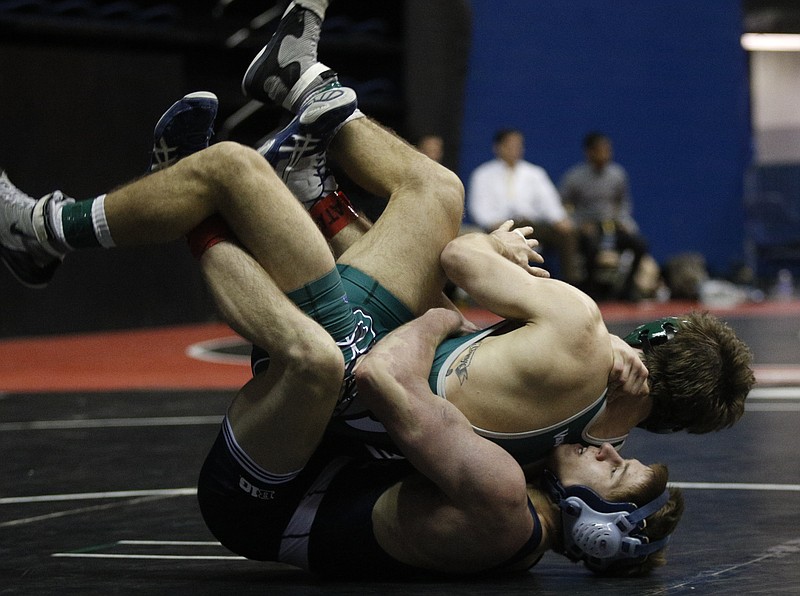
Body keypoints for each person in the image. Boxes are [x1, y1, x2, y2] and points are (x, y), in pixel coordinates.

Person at [0, 0, 754, 470]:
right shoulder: (596, 449)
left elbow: (459, 262)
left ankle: (44, 232)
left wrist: (494, 252)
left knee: (229, 168)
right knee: (437, 188)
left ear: (655, 342)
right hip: (392, 369)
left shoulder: (587, 332)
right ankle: (300, 96)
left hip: (365, 357)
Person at [198, 306, 684, 578]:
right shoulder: (529, 520)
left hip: (262, 507)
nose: (609, 450)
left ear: (592, 525)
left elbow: (381, 375)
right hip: (332, 461)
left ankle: (209, 229)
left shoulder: (504, 499)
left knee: (319, 360)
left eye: (615, 469)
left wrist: (442, 317)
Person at [466, 128, 581, 286]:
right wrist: (491, 223)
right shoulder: (483, 174)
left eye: (518, 145)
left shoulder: (534, 173)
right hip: (501, 226)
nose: (515, 150)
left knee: (566, 234)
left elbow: (549, 202)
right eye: (510, 145)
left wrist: (559, 219)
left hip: (531, 225)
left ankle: (571, 285)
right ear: (498, 147)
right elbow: (478, 207)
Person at [559, 132, 650, 302]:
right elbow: (563, 205)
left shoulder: (617, 174)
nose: (605, 154)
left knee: (639, 244)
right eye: (600, 150)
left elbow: (623, 202)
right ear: (590, 152)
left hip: (613, 225)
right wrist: (579, 223)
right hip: (587, 227)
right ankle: (592, 290)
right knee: (591, 246)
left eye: (608, 150)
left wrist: (622, 219)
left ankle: (627, 288)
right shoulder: (575, 177)